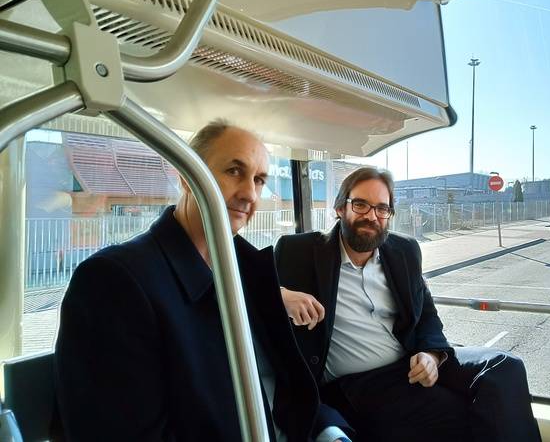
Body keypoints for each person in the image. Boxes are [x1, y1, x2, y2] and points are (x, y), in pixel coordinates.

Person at [54, 122, 351, 442]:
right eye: (234, 171)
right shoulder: (113, 281)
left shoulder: (246, 272)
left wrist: (329, 430)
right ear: (186, 175)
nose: (249, 194)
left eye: (259, 180)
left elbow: (278, 387)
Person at [276, 167, 542, 442]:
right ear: (340, 208)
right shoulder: (299, 251)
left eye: (382, 209)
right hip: (358, 384)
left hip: (411, 362)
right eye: (360, 205)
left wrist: (432, 354)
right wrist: (281, 294)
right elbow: (238, 282)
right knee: (458, 416)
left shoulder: (404, 251)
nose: (371, 216)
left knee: (504, 367)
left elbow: (426, 313)